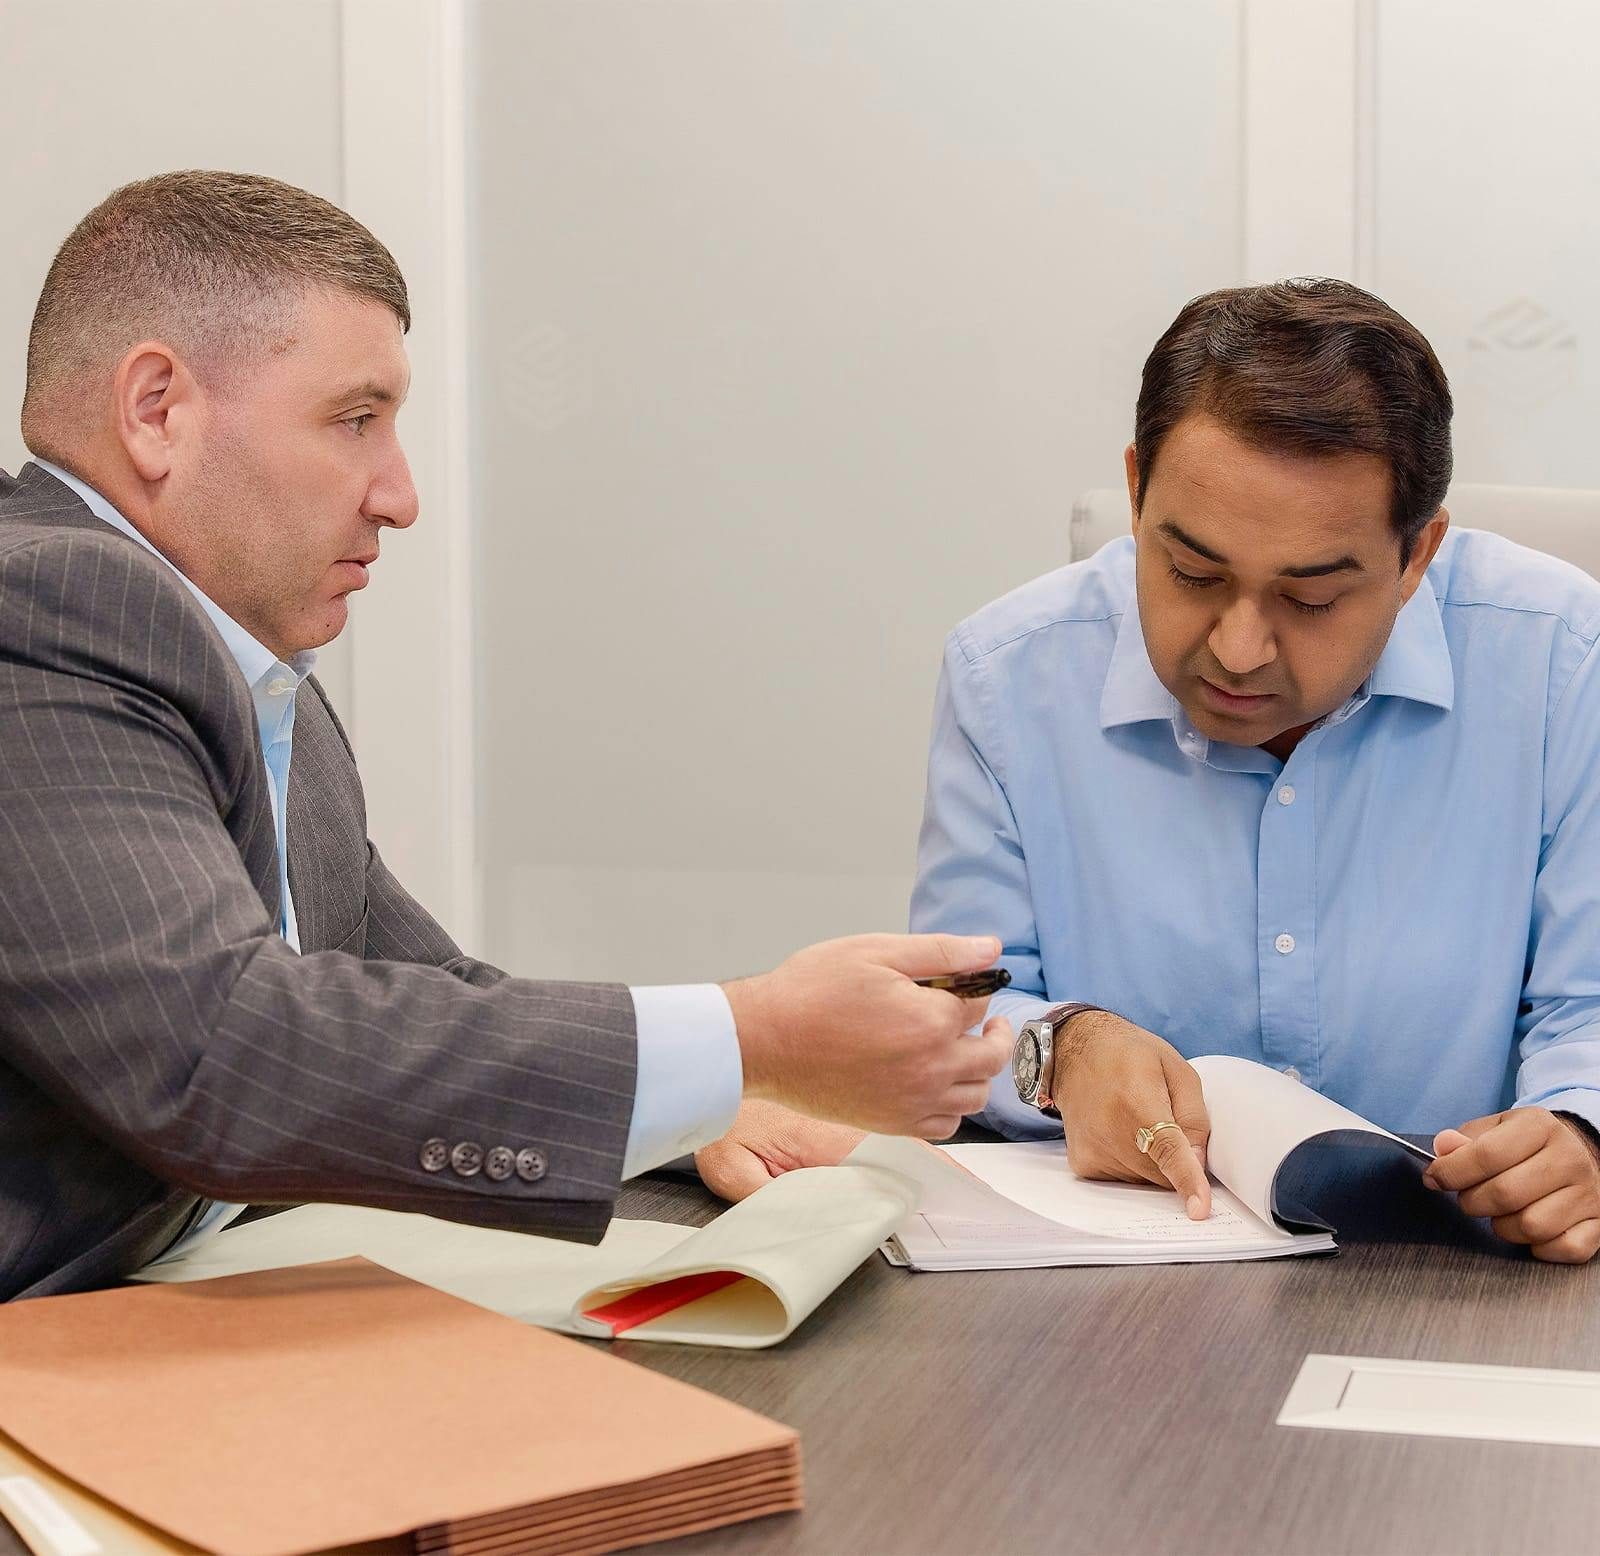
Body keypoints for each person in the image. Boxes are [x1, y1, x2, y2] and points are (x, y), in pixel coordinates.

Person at [0, 170, 1010, 1301]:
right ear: (156, 411)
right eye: (353, 418)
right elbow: (224, 1052)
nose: (400, 493)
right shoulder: (44, 605)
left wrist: (712, 1097)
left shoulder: (249, 677)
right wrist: (747, 1038)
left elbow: (426, 989)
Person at [911, 279, 1600, 1263]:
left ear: (1416, 556)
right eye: (1191, 574)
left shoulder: (1564, 660)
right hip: (1120, 1293)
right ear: (1137, 488)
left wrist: (1579, 1135)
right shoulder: (1006, 677)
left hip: (1455, 1274)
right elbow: (955, 1007)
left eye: (1311, 596)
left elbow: (1592, 1005)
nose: (1238, 649)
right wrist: (1056, 1051)